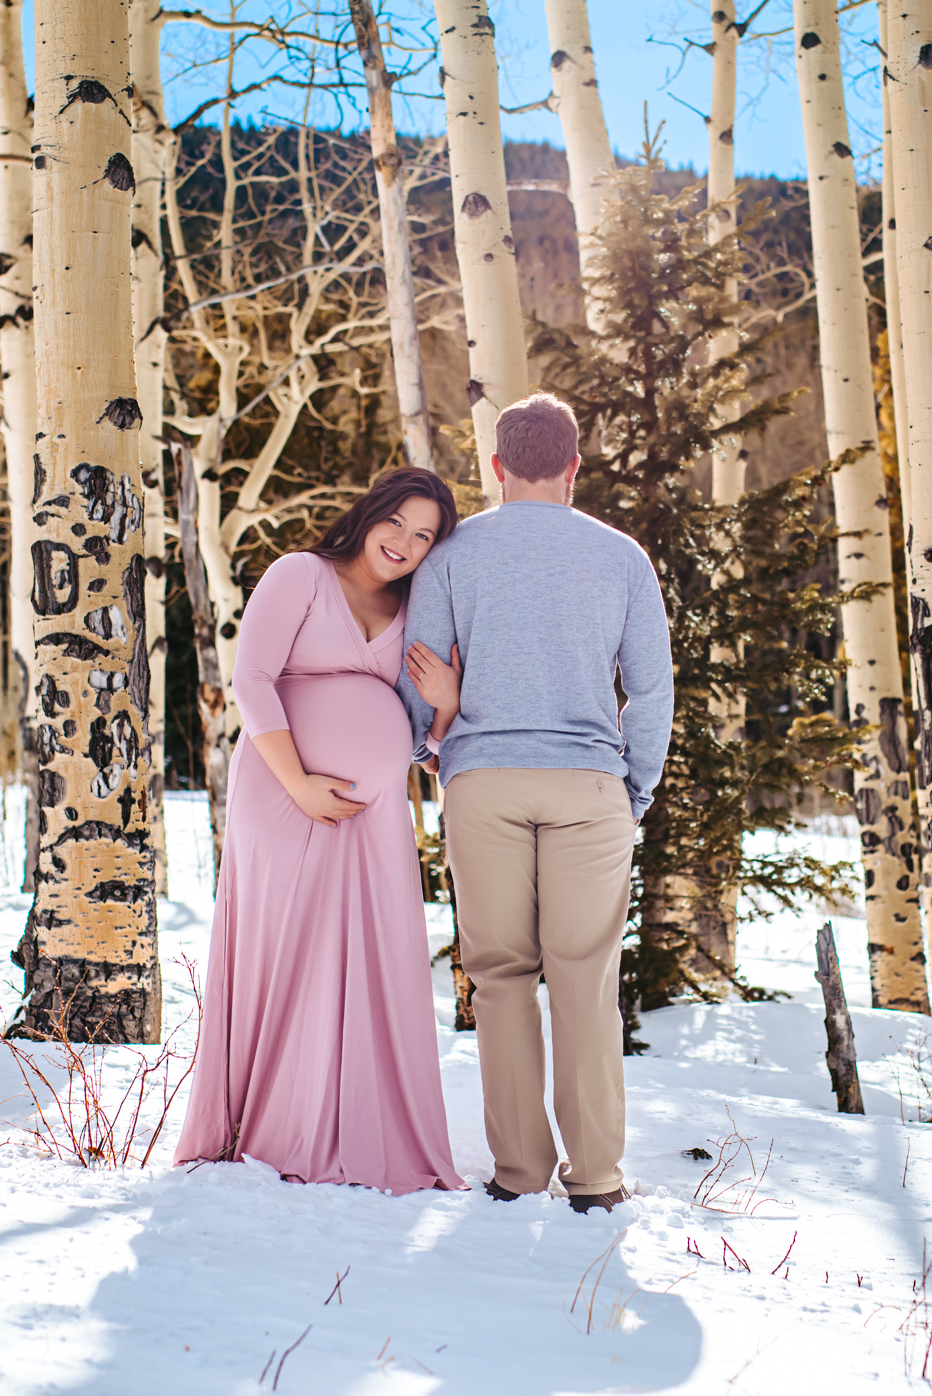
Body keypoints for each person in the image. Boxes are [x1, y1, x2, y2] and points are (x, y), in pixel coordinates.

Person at [398, 394, 673, 1213]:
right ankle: (594, 1179)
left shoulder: (450, 555)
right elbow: (651, 689)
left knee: (500, 975)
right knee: (585, 977)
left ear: (496, 467)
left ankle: (518, 1171)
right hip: (590, 787)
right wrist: (636, 787)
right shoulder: (623, 557)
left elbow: (419, 678)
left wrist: (433, 743)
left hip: (482, 780)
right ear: (574, 467)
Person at [174, 467, 468, 1195]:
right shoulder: (299, 575)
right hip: (281, 790)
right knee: (290, 949)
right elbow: (252, 679)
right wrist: (299, 781)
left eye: (424, 534)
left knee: (374, 960)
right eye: (397, 521)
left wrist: (447, 703)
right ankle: (274, 1125)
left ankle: (356, 1127)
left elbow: (424, 746)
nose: (404, 542)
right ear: (370, 511)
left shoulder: (415, 606)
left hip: (373, 816)